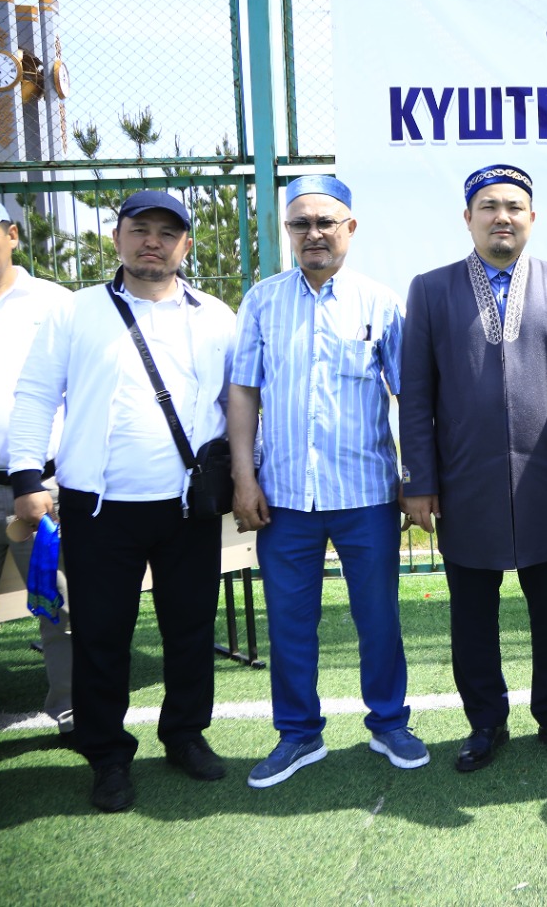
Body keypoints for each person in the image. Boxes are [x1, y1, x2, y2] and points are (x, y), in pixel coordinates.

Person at [11, 190, 238, 813]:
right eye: (140, 229)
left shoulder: (216, 315)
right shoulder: (76, 311)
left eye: (167, 232)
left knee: (190, 627)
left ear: (185, 244)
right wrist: (27, 478)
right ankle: (107, 755)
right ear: (117, 239)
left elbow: (237, 403)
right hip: (98, 508)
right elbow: (35, 394)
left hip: (188, 506)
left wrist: (248, 474)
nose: (152, 243)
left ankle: (185, 734)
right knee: (100, 634)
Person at [400, 164, 547, 771]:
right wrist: (419, 482)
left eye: (514, 207)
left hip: (545, 478)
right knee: (472, 615)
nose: (502, 217)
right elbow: (416, 395)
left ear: (532, 218)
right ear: (468, 218)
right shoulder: (431, 289)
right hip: (464, 483)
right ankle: (485, 722)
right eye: (489, 207)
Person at [228, 175, 423, 788]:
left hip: (366, 495)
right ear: (287, 231)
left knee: (378, 618)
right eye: (300, 224)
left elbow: (409, 395)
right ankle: (298, 733)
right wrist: (243, 478)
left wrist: (413, 477)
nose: (313, 234)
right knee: (289, 622)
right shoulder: (262, 301)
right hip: (284, 498)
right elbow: (243, 392)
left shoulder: (380, 303)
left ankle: (389, 722)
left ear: (350, 228)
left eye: (325, 222)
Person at [0, 191, 74, 800]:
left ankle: (75, 714)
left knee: (64, 610)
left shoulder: (57, 304)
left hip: (48, 488)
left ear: (12, 236)